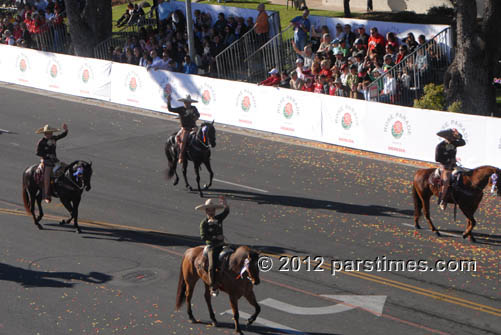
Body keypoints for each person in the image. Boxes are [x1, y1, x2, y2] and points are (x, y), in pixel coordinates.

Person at [197, 196, 229, 297]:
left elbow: (226, 212)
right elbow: (203, 236)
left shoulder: (218, 219)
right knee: (212, 266)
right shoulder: (204, 223)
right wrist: (216, 237)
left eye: (213, 210)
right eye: (209, 210)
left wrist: (225, 204)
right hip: (212, 247)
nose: (211, 212)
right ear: (206, 211)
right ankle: (213, 286)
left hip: (222, 245)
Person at [35, 123, 68, 203]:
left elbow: (62, 135)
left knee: (66, 168)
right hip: (46, 161)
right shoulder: (41, 142)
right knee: (47, 177)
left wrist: (66, 130)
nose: (50, 134)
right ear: (45, 133)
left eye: (51, 133)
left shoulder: (54, 139)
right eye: (48, 133)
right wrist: (47, 155)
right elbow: (38, 153)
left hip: (55, 160)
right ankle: (46, 195)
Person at [434, 128, 466, 210]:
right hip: (444, 166)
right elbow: (437, 159)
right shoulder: (440, 146)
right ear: (447, 137)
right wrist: (448, 160)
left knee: (464, 174)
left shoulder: (454, 143)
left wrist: (459, 135)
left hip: (453, 165)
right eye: (451, 137)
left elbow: (463, 142)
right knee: (446, 181)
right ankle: (442, 200)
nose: (453, 138)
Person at [167, 94, 200, 164]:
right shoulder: (181, 109)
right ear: (184, 102)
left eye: (189, 103)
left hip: (193, 127)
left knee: (201, 137)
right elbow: (170, 109)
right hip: (185, 128)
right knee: (184, 140)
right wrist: (168, 101)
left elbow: (198, 115)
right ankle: (181, 156)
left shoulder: (194, 108)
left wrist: (195, 117)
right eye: (186, 102)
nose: (187, 104)